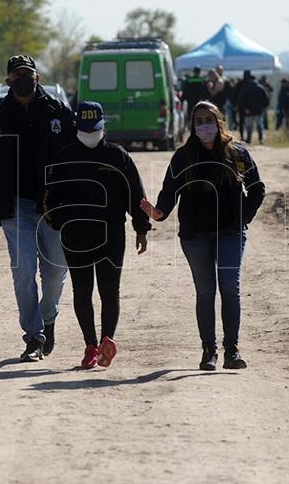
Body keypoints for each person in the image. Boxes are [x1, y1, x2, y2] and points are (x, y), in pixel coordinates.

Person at [139, 101, 266, 370]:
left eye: (209, 119)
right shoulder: (184, 157)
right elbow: (168, 192)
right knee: (206, 291)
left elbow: (257, 189)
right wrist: (158, 213)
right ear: (192, 125)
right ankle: (209, 351)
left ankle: (232, 350)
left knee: (230, 287)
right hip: (196, 235)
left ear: (219, 121)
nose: (204, 125)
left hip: (231, 231)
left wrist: (245, 216)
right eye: (199, 121)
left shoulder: (238, 154)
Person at [0, 54, 77, 362]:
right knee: (23, 271)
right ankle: (34, 337)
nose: (23, 79)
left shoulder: (58, 111)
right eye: (17, 75)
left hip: (55, 205)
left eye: (28, 73)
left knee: (56, 272)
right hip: (15, 203)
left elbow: (76, 158)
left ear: (37, 77)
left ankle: (48, 318)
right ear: (8, 81)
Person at [45, 101, 151, 369]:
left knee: (109, 290)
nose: (90, 134)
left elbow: (136, 196)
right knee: (82, 290)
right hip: (75, 235)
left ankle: (107, 341)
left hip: (111, 234)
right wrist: (57, 222)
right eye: (84, 129)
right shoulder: (63, 156)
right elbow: (48, 197)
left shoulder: (118, 157)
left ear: (104, 125)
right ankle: (90, 345)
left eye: (94, 129)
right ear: (76, 127)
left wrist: (141, 228)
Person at [236, 70, 268, 144]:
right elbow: (266, 99)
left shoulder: (245, 88)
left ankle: (249, 139)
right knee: (259, 125)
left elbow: (241, 100)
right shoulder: (260, 88)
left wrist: (245, 108)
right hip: (258, 111)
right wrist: (263, 108)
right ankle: (260, 139)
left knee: (249, 126)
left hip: (248, 111)